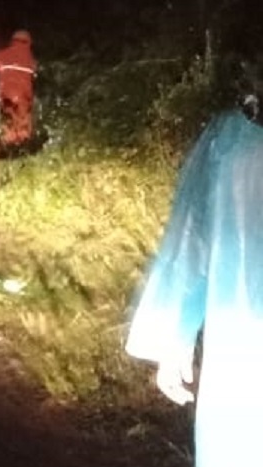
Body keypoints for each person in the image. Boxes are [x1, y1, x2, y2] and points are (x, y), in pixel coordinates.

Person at [125, 97, 263, 467]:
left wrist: (175, 337)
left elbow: (191, 245)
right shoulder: (231, 144)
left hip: (243, 360)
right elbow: (194, 241)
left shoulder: (231, 144)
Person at [0, 28, 38, 146]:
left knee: (8, 125)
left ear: (13, 40)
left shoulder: (2, 54)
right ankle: (24, 150)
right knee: (24, 126)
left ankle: (10, 150)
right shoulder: (31, 60)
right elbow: (35, 73)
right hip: (25, 97)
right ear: (29, 42)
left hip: (6, 97)